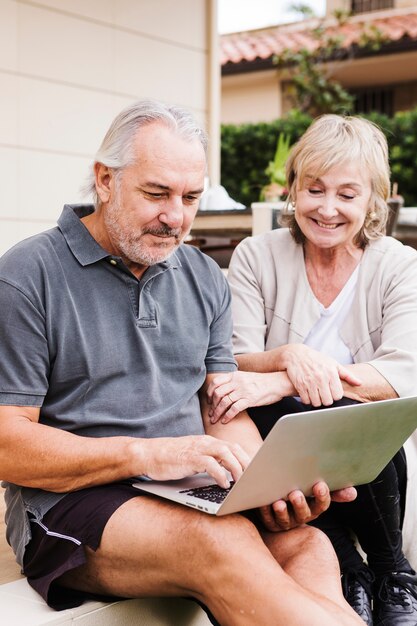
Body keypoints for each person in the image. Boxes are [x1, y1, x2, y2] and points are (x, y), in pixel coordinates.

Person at [0, 100, 363, 626]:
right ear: (104, 180)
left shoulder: (203, 276)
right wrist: (147, 455)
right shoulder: (27, 275)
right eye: (156, 193)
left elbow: (220, 406)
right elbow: (8, 443)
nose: (176, 217)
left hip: (184, 491)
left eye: (191, 197)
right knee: (219, 541)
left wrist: (266, 483)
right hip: (68, 504)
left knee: (306, 544)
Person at [207, 114, 417, 626]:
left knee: (355, 425)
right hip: (281, 434)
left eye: (347, 194)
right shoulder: (257, 255)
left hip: (372, 445)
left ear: (374, 199)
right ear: (293, 189)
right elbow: (231, 360)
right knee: (317, 427)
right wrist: (285, 356)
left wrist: (284, 378)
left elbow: (404, 373)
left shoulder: (398, 264)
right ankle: (371, 574)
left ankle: (384, 577)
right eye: (314, 189)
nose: (326, 209)